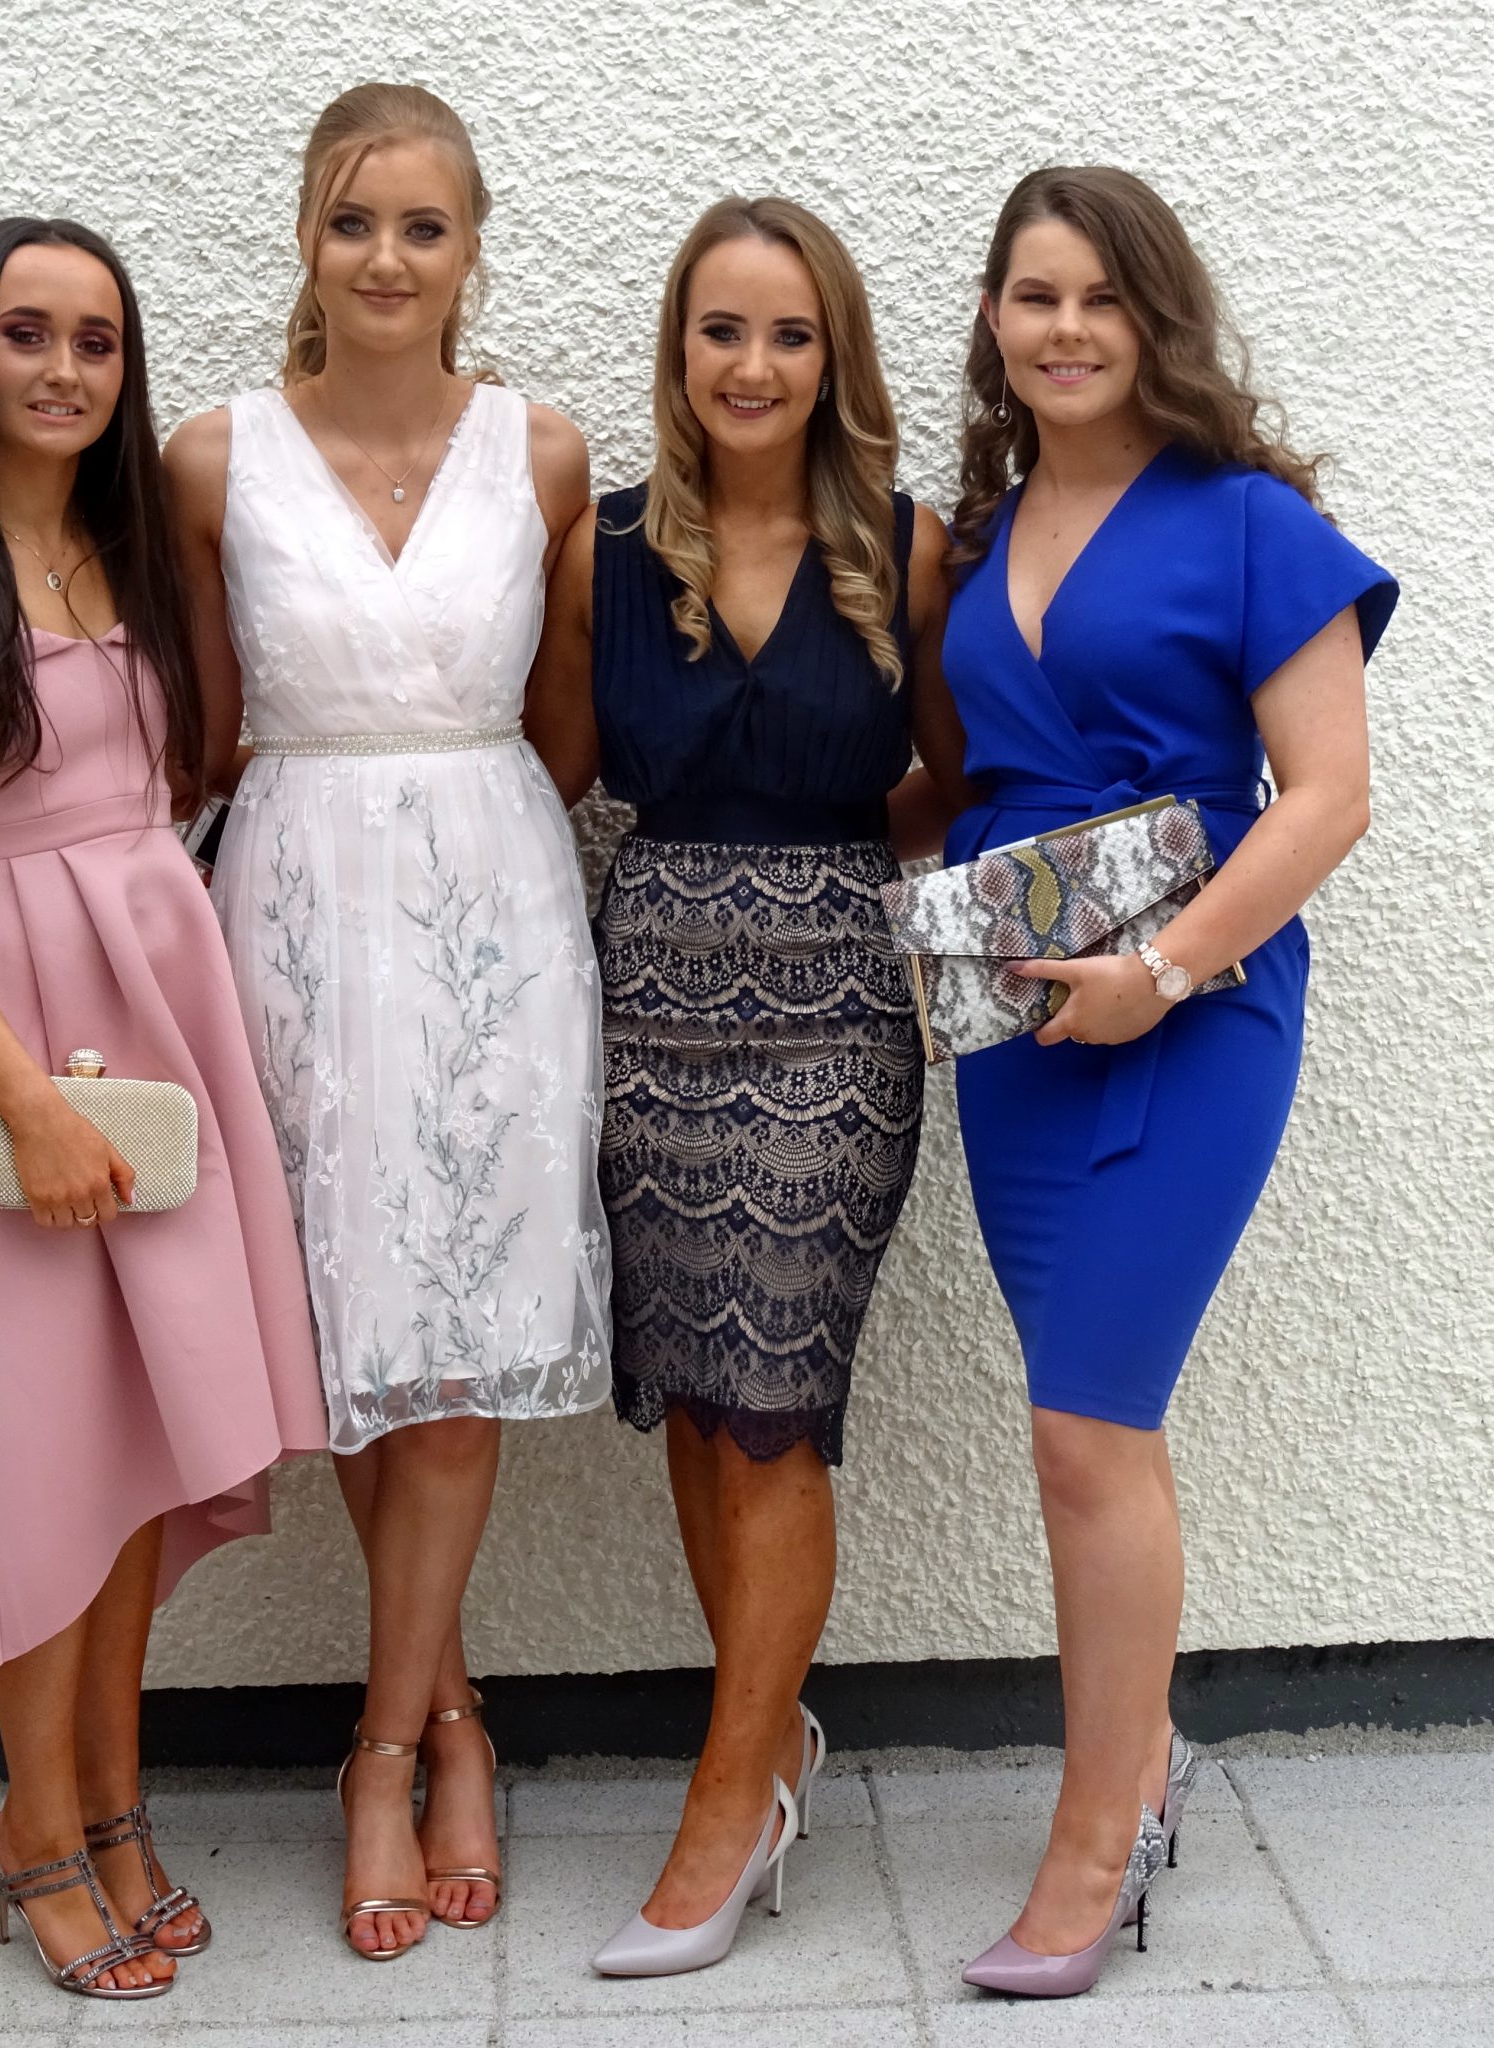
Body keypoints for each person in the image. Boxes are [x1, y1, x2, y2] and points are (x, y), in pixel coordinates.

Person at [0, 218, 326, 2000]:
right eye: (26, 333)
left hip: (160, 1030)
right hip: (11, 1051)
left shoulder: (130, 556)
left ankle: (110, 1803)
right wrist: (23, 1101)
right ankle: (33, 1826)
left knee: (135, 1449)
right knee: (36, 1455)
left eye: (95, 341)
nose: (61, 369)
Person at [165, 85, 613, 1962]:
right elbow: (200, 735)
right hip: (291, 914)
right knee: (358, 1327)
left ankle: (383, 1753)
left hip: (492, 912)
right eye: (352, 221)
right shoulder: (212, 458)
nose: (385, 259)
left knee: (455, 1347)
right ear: (304, 237)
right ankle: (452, 1719)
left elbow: (568, 727)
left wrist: (459, 843)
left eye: (423, 226)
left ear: (470, 247)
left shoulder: (548, 453)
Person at [939, 166, 1397, 1998]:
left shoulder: (1249, 523)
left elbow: (1329, 796)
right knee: (1079, 1431)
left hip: (1192, 1010)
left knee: (1086, 1426)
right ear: (993, 318)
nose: (1064, 329)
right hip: (1020, 1029)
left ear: (1155, 319)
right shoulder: (977, 534)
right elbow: (960, 779)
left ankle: (1095, 1835)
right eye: (1033, 295)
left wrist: (1164, 972)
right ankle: (1139, 1764)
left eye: (1100, 298)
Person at [524, 195, 967, 1976]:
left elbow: (954, 778)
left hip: (833, 1016)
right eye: (723, 328)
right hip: (648, 1005)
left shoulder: (908, 548)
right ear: (679, 347)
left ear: (832, 357)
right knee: (703, 1406)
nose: (754, 364)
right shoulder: (606, 548)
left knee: (773, 1400)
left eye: (790, 333)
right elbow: (549, 772)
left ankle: (725, 1810)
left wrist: (829, 865)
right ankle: (768, 1739)